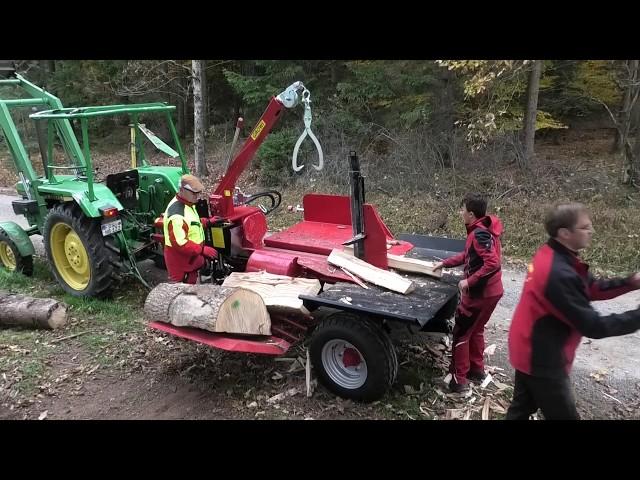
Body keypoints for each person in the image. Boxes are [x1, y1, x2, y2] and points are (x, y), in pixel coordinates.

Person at [506, 202, 640, 420]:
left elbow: (590, 287)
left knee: (521, 408)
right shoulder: (558, 273)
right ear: (565, 233)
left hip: (528, 347)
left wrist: (630, 282)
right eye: (585, 227)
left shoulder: (554, 254)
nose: (591, 231)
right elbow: (593, 325)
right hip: (542, 358)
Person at [433, 193, 504, 393]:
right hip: (493, 292)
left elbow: (492, 263)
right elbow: (469, 254)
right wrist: (445, 263)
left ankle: (459, 381)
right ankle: (476, 370)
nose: (460, 213)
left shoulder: (479, 234)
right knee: (476, 330)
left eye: (462, 210)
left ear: (471, 214)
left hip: (480, 295)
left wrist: (468, 281)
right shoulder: (484, 230)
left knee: (461, 333)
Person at [162, 174, 219, 284]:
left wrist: (206, 222)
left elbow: (190, 224)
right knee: (182, 293)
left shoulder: (187, 204)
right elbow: (180, 243)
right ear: (181, 190)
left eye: (198, 193)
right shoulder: (177, 214)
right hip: (181, 263)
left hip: (190, 259)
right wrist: (202, 250)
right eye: (193, 193)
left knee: (192, 289)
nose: (197, 196)